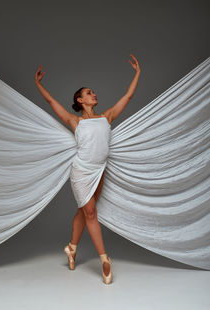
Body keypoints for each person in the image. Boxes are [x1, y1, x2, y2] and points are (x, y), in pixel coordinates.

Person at [34, 54, 141, 284]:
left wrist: (138, 74)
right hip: (82, 172)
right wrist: (38, 84)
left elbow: (129, 96)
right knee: (91, 213)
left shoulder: (107, 117)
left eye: (93, 92)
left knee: (84, 212)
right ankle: (105, 259)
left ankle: (71, 248)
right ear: (81, 100)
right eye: (89, 93)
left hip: (100, 170)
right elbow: (53, 103)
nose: (94, 94)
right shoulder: (76, 122)